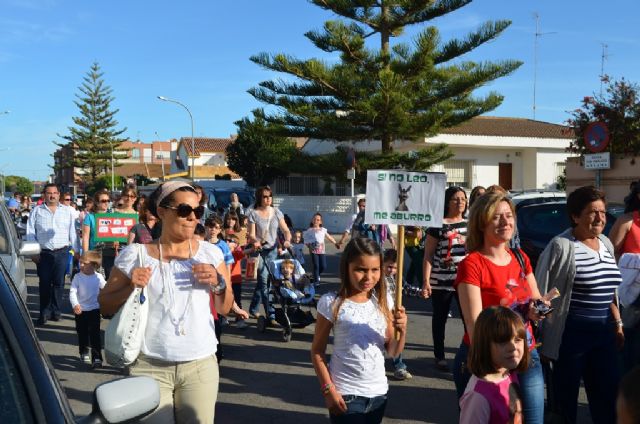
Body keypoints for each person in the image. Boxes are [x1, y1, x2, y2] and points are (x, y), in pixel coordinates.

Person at [98, 181, 233, 423]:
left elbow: (224, 307)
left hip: (200, 365)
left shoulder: (210, 253)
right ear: (161, 212)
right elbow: (105, 304)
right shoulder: (135, 255)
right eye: (184, 210)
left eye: (198, 211)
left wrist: (218, 283)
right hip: (149, 366)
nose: (193, 218)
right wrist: (131, 287)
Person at [453, 192, 547, 424]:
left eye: (509, 215)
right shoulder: (472, 264)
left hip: (526, 353)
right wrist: (495, 366)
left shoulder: (519, 256)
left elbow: (535, 300)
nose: (505, 222)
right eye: (497, 217)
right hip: (489, 357)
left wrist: (539, 309)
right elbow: (475, 325)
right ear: (481, 223)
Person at [535, 186, 623, 424]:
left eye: (603, 212)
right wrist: (541, 339)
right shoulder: (561, 246)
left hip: (604, 337)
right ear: (575, 216)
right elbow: (541, 294)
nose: (600, 218)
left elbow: (609, 290)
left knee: (607, 401)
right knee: (565, 405)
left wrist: (617, 322)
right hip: (570, 337)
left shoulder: (605, 243)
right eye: (592, 212)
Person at [311, 238, 407, 423]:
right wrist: (328, 389)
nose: (368, 277)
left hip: (379, 393)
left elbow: (393, 350)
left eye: (375, 270)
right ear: (347, 267)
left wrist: (401, 331)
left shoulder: (384, 300)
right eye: (360, 270)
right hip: (345, 394)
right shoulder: (332, 302)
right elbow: (317, 351)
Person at [421, 186, 468, 371]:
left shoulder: (470, 224)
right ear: (447, 202)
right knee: (440, 319)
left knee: (468, 318)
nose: (460, 202)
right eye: (456, 199)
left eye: (463, 199)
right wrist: (426, 281)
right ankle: (439, 355)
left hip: (465, 281)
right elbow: (428, 255)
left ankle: (469, 353)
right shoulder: (436, 224)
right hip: (441, 281)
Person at [459, 306, 527, 424]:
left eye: (517, 340)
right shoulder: (478, 398)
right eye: (503, 341)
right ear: (484, 345)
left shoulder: (508, 373)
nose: (513, 347)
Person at [26, 183, 80, 325]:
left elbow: (73, 233)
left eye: (55, 193)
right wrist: (33, 251)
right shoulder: (36, 211)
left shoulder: (67, 211)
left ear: (59, 195)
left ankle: (56, 311)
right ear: (44, 194)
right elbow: (30, 233)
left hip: (62, 252)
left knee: (59, 283)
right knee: (44, 283)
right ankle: (44, 312)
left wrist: (77, 251)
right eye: (49, 193)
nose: (52, 195)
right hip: (43, 253)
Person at [247, 186, 292, 325]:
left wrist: (287, 240)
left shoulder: (277, 212)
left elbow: (285, 230)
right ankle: (271, 315)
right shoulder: (253, 213)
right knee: (264, 280)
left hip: (272, 251)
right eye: (265, 196)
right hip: (259, 251)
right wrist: (256, 242)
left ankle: (253, 308)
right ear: (259, 198)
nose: (268, 199)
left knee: (266, 281)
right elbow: (251, 234)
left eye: (270, 196)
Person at [608, 180, 640, 371]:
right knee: (631, 348)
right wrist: (634, 262)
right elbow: (610, 253)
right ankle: (627, 394)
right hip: (632, 295)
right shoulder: (627, 221)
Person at [69, 250, 106, 369]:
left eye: (84, 263)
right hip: (81, 310)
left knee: (95, 334)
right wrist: (75, 304)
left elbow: (105, 288)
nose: (81, 265)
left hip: (95, 309)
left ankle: (97, 358)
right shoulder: (77, 277)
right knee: (82, 332)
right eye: (80, 262)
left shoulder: (98, 277)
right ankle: (83, 351)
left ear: (94, 265)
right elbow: (72, 292)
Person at [383, 249, 412, 380]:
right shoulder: (378, 278)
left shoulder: (398, 278)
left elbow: (407, 288)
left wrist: (421, 292)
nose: (392, 270)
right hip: (382, 313)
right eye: (389, 267)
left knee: (396, 337)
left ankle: (399, 366)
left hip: (394, 313)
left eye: (395, 267)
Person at [82, 189, 114, 276]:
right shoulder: (90, 217)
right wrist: (86, 256)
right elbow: (85, 237)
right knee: (97, 281)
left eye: (108, 200)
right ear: (96, 202)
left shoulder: (113, 216)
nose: (106, 203)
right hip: (95, 254)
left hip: (110, 253)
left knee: (109, 282)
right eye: (103, 201)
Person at [304, 213, 340, 286]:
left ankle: (316, 275)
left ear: (321, 222)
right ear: (312, 220)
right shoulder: (309, 230)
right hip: (313, 250)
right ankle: (316, 281)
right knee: (316, 265)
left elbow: (329, 237)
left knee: (323, 266)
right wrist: (309, 246)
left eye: (318, 220)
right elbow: (306, 240)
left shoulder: (323, 230)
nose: (316, 221)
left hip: (321, 251)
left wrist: (335, 243)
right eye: (314, 219)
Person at [226, 233, 250, 329]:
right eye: (226, 240)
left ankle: (239, 319)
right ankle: (223, 318)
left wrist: (252, 249)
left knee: (237, 299)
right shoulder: (223, 252)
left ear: (236, 244)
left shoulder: (236, 252)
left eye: (230, 241)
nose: (227, 242)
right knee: (223, 300)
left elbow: (242, 253)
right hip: (225, 280)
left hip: (236, 280)